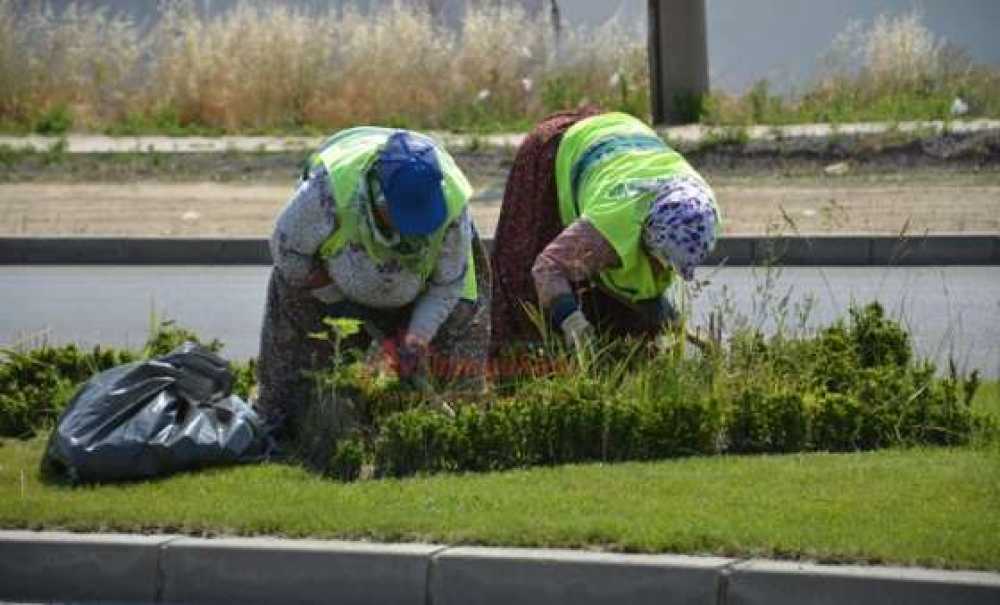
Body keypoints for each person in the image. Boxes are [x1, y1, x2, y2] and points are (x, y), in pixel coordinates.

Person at [256, 127, 491, 435]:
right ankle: (284, 429)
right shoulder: (328, 191)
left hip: (423, 289)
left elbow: (447, 284)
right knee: (305, 376)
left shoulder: (451, 207)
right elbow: (288, 252)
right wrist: (332, 294)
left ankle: (446, 434)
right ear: (380, 198)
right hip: (327, 284)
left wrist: (415, 339)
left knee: (456, 376)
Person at [490, 109, 720, 355]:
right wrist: (575, 326)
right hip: (557, 151)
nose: (663, 270)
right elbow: (547, 268)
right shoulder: (613, 222)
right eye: (662, 261)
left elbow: (642, 284)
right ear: (646, 235)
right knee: (523, 284)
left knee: (630, 328)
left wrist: (676, 323)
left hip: (622, 134)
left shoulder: (699, 208)